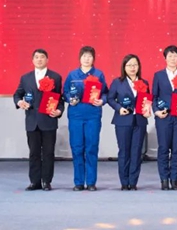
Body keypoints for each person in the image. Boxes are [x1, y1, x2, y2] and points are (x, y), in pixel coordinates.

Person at [13, 49, 64, 191]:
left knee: (48, 153)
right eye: (36, 57)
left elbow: (60, 99)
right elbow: (17, 95)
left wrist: (59, 111)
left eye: (42, 57)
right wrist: (19, 102)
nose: (39, 59)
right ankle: (34, 181)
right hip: (32, 121)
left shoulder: (55, 77)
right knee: (34, 153)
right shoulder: (25, 78)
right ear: (32, 60)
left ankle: (46, 181)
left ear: (47, 60)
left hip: (49, 120)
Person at [63, 45, 108, 191]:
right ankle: (78, 182)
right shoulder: (72, 75)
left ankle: (91, 182)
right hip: (76, 115)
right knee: (77, 148)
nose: (87, 59)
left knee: (91, 148)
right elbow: (65, 92)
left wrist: (102, 101)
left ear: (93, 59)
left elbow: (106, 93)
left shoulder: (99, 74)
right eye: (84, 56)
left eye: (89, 56)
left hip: (93, 115)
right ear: (79, 58)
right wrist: (69, 99)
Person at [107, 54, 151, 190]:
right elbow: (110, 99)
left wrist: (147, 110)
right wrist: (119, 108)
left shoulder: (144, 83)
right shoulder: (117, 82)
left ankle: (133, 182)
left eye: (135, 65)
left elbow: (147, 100)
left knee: (136, 152)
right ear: (124, 67)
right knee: (124, 151)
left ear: (139, 67)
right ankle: (124, 182)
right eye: (129, 65)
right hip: (123, 121)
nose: (132, 68)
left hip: (139, 121)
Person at [152, 45, 177, 191]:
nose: (173, 59)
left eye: (175, 56)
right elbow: (154, 96)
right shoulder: (158, 75)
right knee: (163, 148)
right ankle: (164, 179)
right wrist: (156, 111)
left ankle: (174, 179)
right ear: (165, 58)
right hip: (163, 117)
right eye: (170, 56)